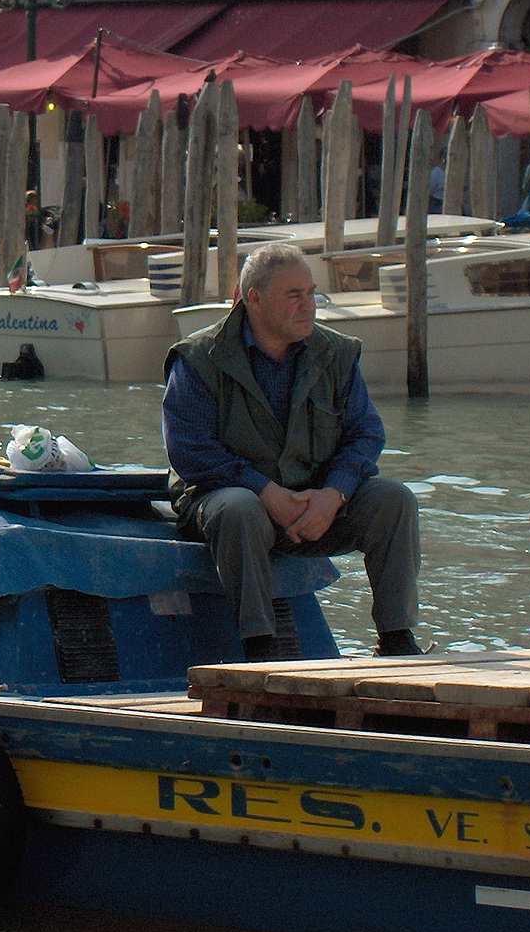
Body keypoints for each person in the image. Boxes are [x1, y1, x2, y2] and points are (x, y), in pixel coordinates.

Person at [161, 242, 422, 662]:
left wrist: (332, 495)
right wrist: (266, 492)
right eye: (294, 295)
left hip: (314, 504)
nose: (310, 305)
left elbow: (366, 435)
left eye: (312, 292)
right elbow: (189, 452)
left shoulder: (336, 353)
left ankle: (396, 639)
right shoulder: (199, 358)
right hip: (232, 507)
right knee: (238, 508)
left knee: (394, 500)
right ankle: (260, 645)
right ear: (255, 300)